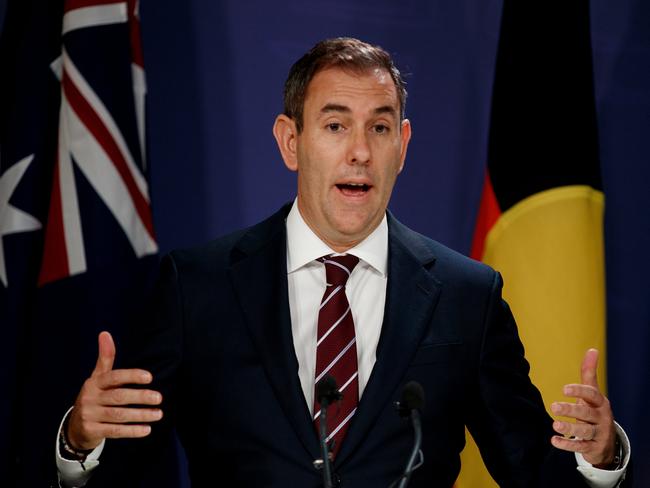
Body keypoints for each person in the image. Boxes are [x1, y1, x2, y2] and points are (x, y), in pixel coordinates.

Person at [56, 38, 630, 487]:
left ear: (401, 146)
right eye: (335, 126)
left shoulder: (466, 295)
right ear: (290, 141)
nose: (360, 151)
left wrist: (602, 457)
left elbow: (530, 469)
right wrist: (81, 444)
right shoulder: (197, 285)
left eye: (379, 127)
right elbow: (123, 471)